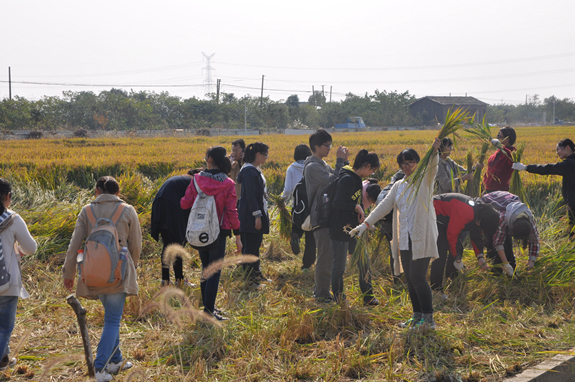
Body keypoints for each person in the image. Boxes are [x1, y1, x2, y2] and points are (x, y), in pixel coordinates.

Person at [350, 138, 441, 330]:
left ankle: (429, 319)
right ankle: (417, 317)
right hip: (405, 238)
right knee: (409, 277)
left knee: (418, 276)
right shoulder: (399, 185)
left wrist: (434, 152)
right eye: (403, 163)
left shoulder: (424, 180)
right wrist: (365, 224)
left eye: (411, 162)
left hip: (422, 235)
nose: (407, 166)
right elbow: (383, 207)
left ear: (418, 163)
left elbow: (432, 168)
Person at [63, 176, 142, 382]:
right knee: (113, 320)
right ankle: (99, 368)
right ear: (117, 192)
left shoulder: (86, 211)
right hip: (118, 272)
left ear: (97, 191)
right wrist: (129, 269)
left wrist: (69, 273)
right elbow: (136, 246)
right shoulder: (127, 210)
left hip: (93, 273)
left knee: (110, 316)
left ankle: (116, 361)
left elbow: (74, 246)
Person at [180, 147, 242, 320]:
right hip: (219, 232)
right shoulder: (228, 183)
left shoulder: (196, 180)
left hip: (200, 230)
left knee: (206, 269)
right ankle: (208, 311)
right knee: (215, 270)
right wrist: (237, 234)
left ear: (209, 160)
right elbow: (232, 211)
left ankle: (208, 307)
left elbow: (185, 204)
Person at [329, 150, 380, 304]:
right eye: (372, 170)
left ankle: (368, 296)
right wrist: (356, 207)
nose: (371, 173)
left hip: (353, 228)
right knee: (339, 266)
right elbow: (337, 203)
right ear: (368, 165)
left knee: (364, 261)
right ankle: (339, 298)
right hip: (339, 228)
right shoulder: (348, 179)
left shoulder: (355, 178)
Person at [304, 129, 348, 301]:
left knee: (329, 256)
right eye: (326, 145)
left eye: (330, 145)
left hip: (328, 216)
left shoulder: (321, 164)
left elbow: (341, 177)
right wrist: (339, 161)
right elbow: (334, 181)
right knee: (324, 257)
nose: (329, 148)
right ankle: (321, 294)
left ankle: (323, 291)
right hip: (320, 217)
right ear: (316, 146)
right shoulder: (312, 167)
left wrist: (345, 162)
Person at [0, 179, 37, 371]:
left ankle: (4, 359)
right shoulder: (13, 219)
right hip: (8, 283)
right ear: (7, 197)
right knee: (5, 328)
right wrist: (20, 250)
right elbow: (31, 248)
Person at [431, 193, 502, 291]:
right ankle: (436, 288)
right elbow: (452, 236)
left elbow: (476, 237)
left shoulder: (480, 214)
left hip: (447, 219)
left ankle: (452, 281)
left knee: (458, 248)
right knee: (441, 251)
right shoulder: (466, 211)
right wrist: (457, 258)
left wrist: (480, 257)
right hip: (434, 214)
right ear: (481, 220)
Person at [513, 138, 575, 237]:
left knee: (571, 229)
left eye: (558, 149)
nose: (557, 152)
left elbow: (548, 168)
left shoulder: (568, 164)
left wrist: (525, 167)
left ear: (567, 148)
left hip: (573, 203)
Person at [151, 169, 199, 287]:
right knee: (177, 244)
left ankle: (165, 280)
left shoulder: (182, 179)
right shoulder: (194, 181)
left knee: (167, 244)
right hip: (171, 207)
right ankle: (179, 280)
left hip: (159, 205)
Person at [237, 142, 271, 284]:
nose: (266, 158)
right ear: (258, 155)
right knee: (251, 247)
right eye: (265, 155)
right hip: (250, 216)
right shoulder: (250, 172)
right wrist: (257, 216)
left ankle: (256, 274)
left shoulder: (253, 170)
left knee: (255, 245)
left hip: (252, 214)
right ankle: (249, 277)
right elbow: (250, 196)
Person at [481, 191, 540, 271]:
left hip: (507, 203)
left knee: (508, 247)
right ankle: (496, 270)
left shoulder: (529, 220)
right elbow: (498, 243)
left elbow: (535, 240)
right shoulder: (503, 218)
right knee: (499, 245)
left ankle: (510, 268)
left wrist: (531, 260)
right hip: (488, 204)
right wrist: (506, 264)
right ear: (512, 228)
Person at [281, 144, 316, 270]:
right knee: (311, 237)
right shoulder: (313, 166)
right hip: (312, 206)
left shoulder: (291, 168)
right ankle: (306, 265)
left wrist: (281, 200)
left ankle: (295, 236)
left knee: (297, 226)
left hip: (298, 206)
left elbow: (288, 190)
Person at [376, 170, 405, 283]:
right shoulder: (399, 190)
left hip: (386, 227)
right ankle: (402, 280)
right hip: (397, 226)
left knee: (394, 254)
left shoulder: (385, 189)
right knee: (402, 254)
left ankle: (396, 279)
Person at [483, 126, 517, 193]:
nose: (499, 139)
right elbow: (489, 171)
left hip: (500, 191)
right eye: (498, 137)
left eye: (502, 137)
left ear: (509, 138)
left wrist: (501, 147)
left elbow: (512, 162)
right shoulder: (498, 152)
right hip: (488, 189)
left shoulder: (512, 153)